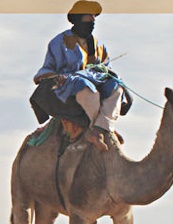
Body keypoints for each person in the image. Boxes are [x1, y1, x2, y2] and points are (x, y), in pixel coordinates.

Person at [33, 0, 126, 152]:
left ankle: (101, 127)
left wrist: (102, 70)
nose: (93, 20)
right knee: (86, 88)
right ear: (78, 18)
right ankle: (99, 128)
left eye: (93, 17)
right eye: (88, 16)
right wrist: (57, 77)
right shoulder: (59, 42)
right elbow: (47, 69)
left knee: (117, 87)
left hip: (96, 83)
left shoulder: (99, 46)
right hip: (69, 85)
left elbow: (107, 68)